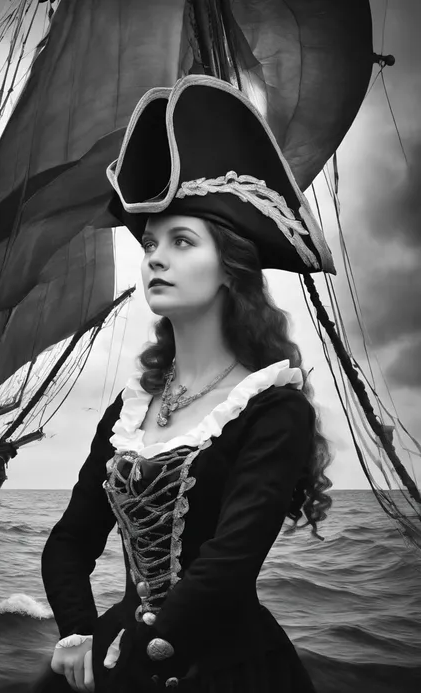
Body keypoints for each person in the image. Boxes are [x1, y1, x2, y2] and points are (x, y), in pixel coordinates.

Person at [40, 74, 335, 693]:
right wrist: (76, 634)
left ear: (229, 268)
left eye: (181, 241)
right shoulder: (131, 408)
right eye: (151, 243)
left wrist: (136, 658)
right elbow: (70, 541)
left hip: (220, 665)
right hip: (117, 647)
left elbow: (228, 566)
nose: (154, 257)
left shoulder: (274, 409)